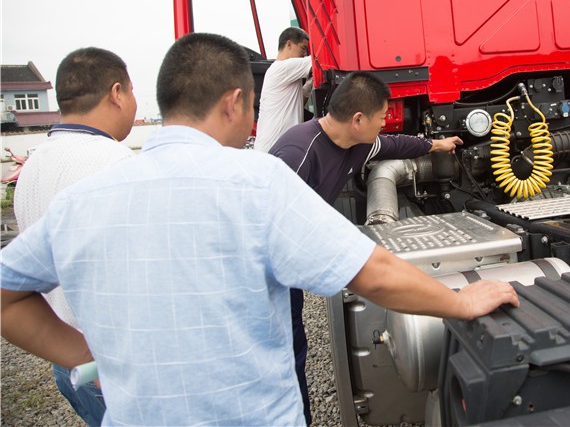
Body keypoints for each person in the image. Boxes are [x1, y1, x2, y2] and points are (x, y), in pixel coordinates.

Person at [1, 33, 518, 427]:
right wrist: (461, 303)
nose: (252, 122)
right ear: (233, 102)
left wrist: (89, 353)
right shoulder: (258, 179)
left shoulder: (80, 201)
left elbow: (7, 297)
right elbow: (374, 274)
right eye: (250, 107)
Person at [269, 71, 463, 423]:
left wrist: (435, 145)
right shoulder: (297, 153)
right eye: (379, 119)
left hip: (290, 270)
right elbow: (271, 229)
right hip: (270, 273)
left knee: (296, 344)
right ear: (357, 119)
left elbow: (394, 145)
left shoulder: (357, 142)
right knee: (280, 349)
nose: (382, 126)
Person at [12, 47, 137, 427]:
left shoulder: (32, 166)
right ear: (117, 93)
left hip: (67, 360)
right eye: (132, 92)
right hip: (114, 365)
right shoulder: (116, 165)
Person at [253, 26, 312, 154]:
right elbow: (319, 60)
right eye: (303, 48)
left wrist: (310, 83)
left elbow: (297, 102)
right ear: (289, 44)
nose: (304, 54)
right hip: (273, 151)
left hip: (272, 149)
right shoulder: (283, 68)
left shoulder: (285, 73)